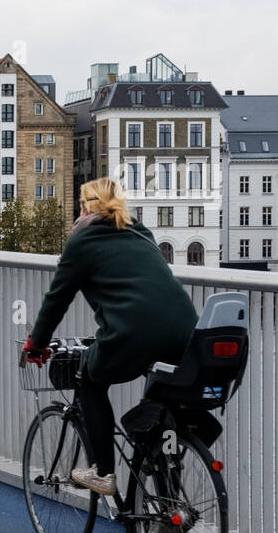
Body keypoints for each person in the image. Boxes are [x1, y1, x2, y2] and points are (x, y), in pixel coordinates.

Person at [22, 176, 197, 496]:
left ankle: (103, 473)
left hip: (132, 335)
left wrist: (37, 343)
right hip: (186, 334)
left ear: (87, 207)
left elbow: (56, 300)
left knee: (90, 379)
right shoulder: (141, 232)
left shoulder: (82, 241)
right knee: (162, 416)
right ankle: (170, 503)